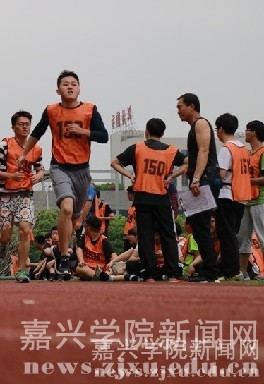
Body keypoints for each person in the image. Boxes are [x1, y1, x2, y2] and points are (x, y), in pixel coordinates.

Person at [18, 70, 108, 277]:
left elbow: (103, 136)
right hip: (59, 167)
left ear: (79, 89)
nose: (70, 87)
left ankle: (66, 251)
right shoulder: (51, 110)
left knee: (74, 219)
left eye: (73, 84)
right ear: (58, 90)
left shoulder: (90, 109)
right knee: (66, 208)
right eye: (65, 84)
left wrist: (83, 131)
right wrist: (24, 154)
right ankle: (65, 257)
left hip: (82, 170)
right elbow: (37, 133)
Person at [111, 118, 187, 282]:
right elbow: (188, 162)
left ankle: (150, 274)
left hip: (142, 197)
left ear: (146, 132)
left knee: (145, 236)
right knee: (168, 235)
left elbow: (115, 163)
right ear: (163, 133)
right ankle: (173, 274)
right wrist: (172, 176)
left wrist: (130, 175)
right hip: (162, 198)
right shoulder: (171, 150)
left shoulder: (137, 148)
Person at [0, 110, 45, 283]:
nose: (25, 127)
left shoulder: (36, 148)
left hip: (25, 194)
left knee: (25, 230)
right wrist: (11, 176)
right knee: (6, 235)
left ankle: (21, 271)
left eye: (27, 124)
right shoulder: (4, 145)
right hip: (5, 195)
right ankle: (3, 244)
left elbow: (40, 169)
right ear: (13, 127)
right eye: (21, 124)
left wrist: (38, 176)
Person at [175, 93, 220, 283]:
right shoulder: (194, 126)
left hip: (204, 179)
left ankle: (211, 274)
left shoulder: (201, 123)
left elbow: (204, 150)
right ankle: (208, 272)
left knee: (201, 226)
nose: (178, 111)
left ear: (191, 106)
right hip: (201, 179)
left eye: (180, 107)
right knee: (197, 227)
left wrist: (196, 179)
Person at [213, 113, 251, 280]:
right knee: (232, 234)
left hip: (227, 194)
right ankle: (233, 270)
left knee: (226, 235)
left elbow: (221, 175)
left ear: (221, 129)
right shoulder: (242, 148)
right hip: (241, 196)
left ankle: (231, 271)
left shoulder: (226, 148)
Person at [236, 120, 264, 279]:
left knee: (262, 236)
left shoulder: (262, 152)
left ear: (254, 132)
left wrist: (246, 180)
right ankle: (243, 272)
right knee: (242, 237)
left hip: (260, 199)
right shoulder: (247, 153)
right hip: (246, 199)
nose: (244, 132)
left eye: (247, 130)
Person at [73, 215, 113, 280]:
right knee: (79, 268)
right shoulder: (85, 238)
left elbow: (113, 255)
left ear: (88, 227)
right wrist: (81, 260)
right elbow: (79, 249)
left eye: (85, 225)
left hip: (100, 268)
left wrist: (111, 264)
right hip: (86, 267)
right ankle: (98, 277)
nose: (84, 227)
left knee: (81, 271)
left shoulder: (104, 241)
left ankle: (98, 276)